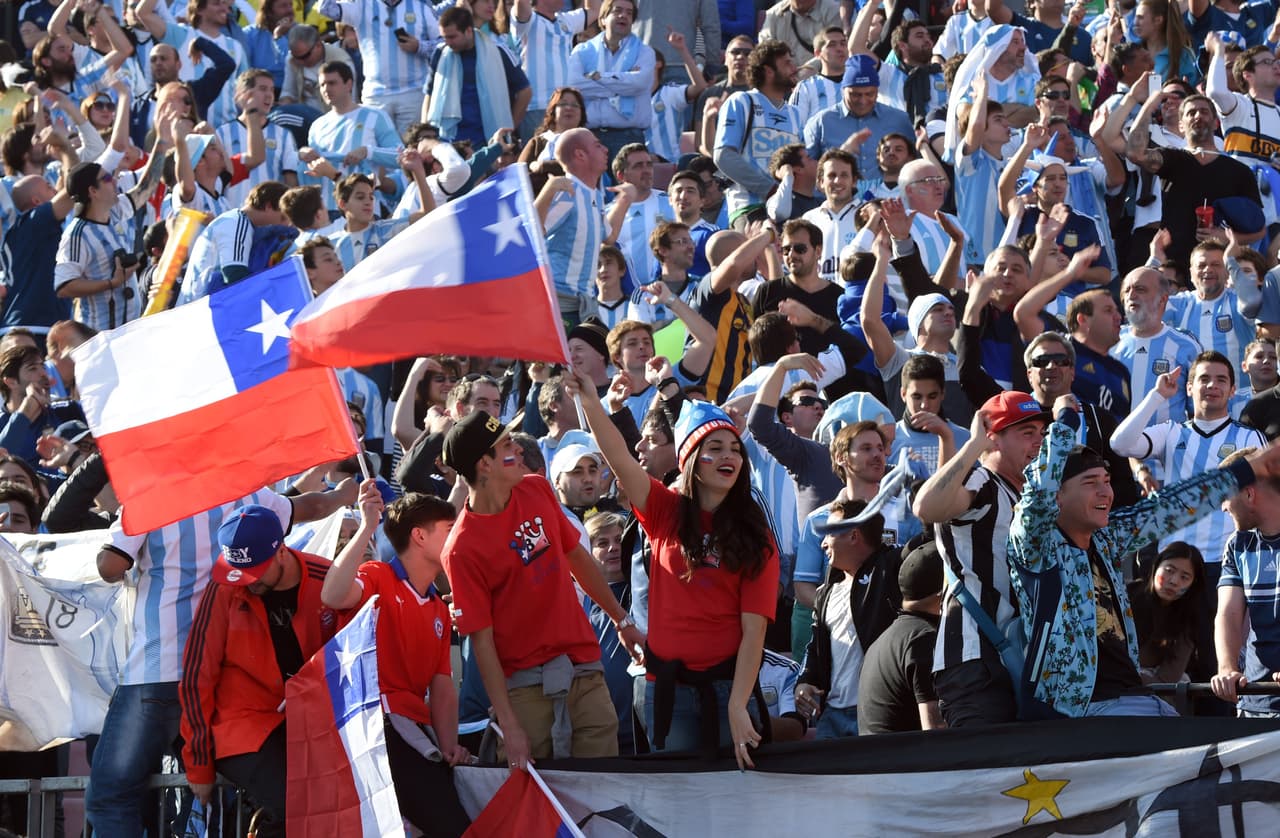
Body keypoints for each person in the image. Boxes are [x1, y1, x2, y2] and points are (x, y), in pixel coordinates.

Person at [87, 480, 356, 836]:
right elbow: (314, 507)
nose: (247, 580)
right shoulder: (247, 493)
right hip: (211, 681)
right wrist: (344, 495)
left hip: (160, 667)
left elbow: (110, 566)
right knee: (188, 799)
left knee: (115, 798)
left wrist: (124, 517)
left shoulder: (149, 497)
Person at [1008, 401, 1280, 718]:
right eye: (1089, 483)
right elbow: (1039, 490)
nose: (1104, 493)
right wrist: (1065, 422)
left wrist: (1248, 469)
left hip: (1131, 698)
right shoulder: (1037, 544)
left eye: (1107, 482)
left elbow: (1168, 507)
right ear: (1058, 495)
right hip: (1070, 712)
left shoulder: (1106, 539)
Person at [571, 377, 779, 769]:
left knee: (739, 805)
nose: (727, 456)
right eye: (714, 448)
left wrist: (738, 704)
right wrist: (589, 401)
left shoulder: (756, 535)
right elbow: (618, 457)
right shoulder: (663, 510)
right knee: (681, 809)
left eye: (735, 448)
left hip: (728, 689)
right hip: (666, 690)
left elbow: (755, 630)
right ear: (690, 459)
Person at [440, 411, 641, 770]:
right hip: (525, 692)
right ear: (484, 464)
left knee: (606, 792)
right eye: (505, 444)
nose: (517, 447)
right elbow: (481, 642)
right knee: (540, 806)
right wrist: (510, 724)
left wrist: (621, 619)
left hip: (585, 671)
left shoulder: (536, 487)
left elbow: (577, 557)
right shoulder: (460, 549)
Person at [179, 505, 338, 838]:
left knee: (332, 806)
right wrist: (199, 766)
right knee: (294, 805)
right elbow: (197, 675)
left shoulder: (328, 579)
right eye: (239, 570)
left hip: (314, 724)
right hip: (243, 727)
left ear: (281, 551)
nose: (246, 582)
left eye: (255, 571)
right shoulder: (224, 586)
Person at [322, 483, 472, 835]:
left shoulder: (437, 604)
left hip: (414, 733)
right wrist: (366, 526)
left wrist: (449, 747)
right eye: (450, 530)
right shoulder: (377, 575)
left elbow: (442, 683)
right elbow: (333, 594)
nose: (458, 537)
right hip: (379, 730)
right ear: (420, 537)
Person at [912, 391, 1049, 726]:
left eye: (1041, 434)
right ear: (994, 438)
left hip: (1014, 653)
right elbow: (925, 508)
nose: (1038, 443)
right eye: (1026, 433)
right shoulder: (983, 480)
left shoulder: (1023, 493)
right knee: (985, 769)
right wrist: (973, 445)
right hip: (975, 659)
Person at [1111, 352, 1266, 583]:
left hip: (1227, 561)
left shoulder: (1250, 438)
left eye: (1221, 380)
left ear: (1233, 390)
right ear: (1189, 388)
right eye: (1204, 379)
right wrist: (1157, 396)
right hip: (1173, 561)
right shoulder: (1171, 432)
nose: (1212, 385)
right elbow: (1119, 444)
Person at [794, 497, 902, 738]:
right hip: (830, 717)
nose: (822, 544)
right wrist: (805, 680)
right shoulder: (826, 592)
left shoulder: (892, 572)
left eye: (829, 534)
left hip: (878, 714)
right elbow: (815, 647)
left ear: (854, 536)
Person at [54, 142, 169, 331]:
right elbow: (64, 286)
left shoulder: (113, 212)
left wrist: (162, 142)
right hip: (100, 335)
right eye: (107, 178)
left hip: (128, 331)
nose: (115, 181)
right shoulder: (77, 234)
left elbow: (146, 188)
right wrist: (111, 283)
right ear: (93, 191)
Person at [1215, 448, 1280, 717]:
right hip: (1256, 703)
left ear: (1249, 494)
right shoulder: (1237, 544)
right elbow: (1228, 613)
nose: (1222, 506)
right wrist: (1227, 668)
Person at [856, 541, 946, 734]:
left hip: (878, 760)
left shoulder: (884, 639)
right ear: (942, 594)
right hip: (903, 762)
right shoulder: (923, 638)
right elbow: (936, 730)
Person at [316, 0, 442, 135]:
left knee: (411, 150)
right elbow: (325, 8)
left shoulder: (421, 6)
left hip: (413, 93)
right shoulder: (362, 5)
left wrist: (420, 47)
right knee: (374, 149)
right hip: (376, 95)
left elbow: (443, 44)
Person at [714, 40, 804, 227]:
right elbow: (724, 156)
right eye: (786, 63)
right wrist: (769, 188)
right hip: (750, 208)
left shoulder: (795, 113)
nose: (794, 68)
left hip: (788, 208)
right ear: (768, 71)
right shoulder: (741, 101)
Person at [301, 61, 403, 214]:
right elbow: (315, 167)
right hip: (330, 210)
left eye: (332, 83)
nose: (326, 89)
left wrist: (367, 151)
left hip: (367, 210)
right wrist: (304, 153)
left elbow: (400, 157)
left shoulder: (376, 116)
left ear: (349, 84)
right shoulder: (317, 126)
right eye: (322, 85)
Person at [803, 54, 913, 194]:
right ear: (843, 90)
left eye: (870, 94)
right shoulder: (821, 122)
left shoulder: (899, 120)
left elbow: (913, 165)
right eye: (855, 95)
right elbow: (807, 169)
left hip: (887, 204)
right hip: (837, 204)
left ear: (878, 91)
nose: (863, 101)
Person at [422, 6, 531, 147]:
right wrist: (423, 132)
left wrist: (509, 129)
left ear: (468, 31)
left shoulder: (498, 51)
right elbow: (429, 94)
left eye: (452, 37)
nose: (448, 42)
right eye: (444, 37)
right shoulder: (441, 53)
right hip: (447, 139)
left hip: (487, 141)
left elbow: (525, 92)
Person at [566, 0, 655, 162]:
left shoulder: (645, 52)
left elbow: (638, 84)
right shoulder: (582, 51)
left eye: (629, 13)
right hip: (590, 136)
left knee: (627, 188)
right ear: (602, 19)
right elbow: (575, 86)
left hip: (629, 137)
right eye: (618, 11)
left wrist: (598, 77)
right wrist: (623, 81)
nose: (624, 16)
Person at [178, 181, 290, 304]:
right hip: (202, 310)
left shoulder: (238, 221)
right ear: (268, 206)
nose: (285, 224)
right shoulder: (237, 223)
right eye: (283, 218)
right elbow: (235, 275)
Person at [511, 0, 598, 142]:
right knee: (536, 160)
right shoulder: (528, 20)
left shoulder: (566, 20)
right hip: (536, 107)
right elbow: (521, 5)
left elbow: (594, 10)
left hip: (565, 106)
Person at [1127, 542, 1206, 687]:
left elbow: (1167, 678)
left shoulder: (1189, 618)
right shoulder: (1125, 596)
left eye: (1184, 577)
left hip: (1151, 686)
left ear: (1193, 584)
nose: (1174, 581)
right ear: (1156, 566)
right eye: (1169, 570)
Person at [759, 0, 843, 65]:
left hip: (824, 74)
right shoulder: (773, 15)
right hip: (786, 77)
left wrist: (807, 69)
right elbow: (765, 50)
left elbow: (837, 49)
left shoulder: (833, 11)